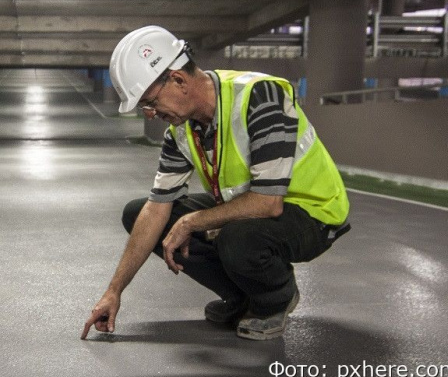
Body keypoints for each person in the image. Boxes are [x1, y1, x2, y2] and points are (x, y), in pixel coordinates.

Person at [82, 26, 350, 341]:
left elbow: (268, 202)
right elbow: (156, 210)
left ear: (178, 80)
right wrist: (114, 291)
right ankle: (241, 297)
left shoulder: (260, 96)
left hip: (313, 212)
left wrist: (194, 220)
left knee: (235, 236)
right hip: (254, 209)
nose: (150, 114)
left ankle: (274, 299)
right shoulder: (181, 131)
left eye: (150, 102)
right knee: (138, 213)